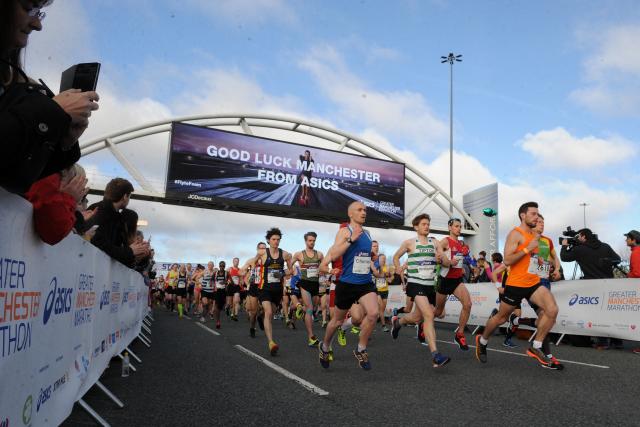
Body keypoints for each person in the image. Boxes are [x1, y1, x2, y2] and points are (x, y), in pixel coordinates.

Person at [0, 0, 100, 194]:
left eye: (40, 12)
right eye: (29, 9)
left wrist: (61, 141)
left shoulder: (11, 79)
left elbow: (13, 178)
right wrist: (51, 113)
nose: (37, 24)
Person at [475, 202, 560, 369]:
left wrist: (543, 262)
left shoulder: (536, 237)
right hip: (515, 284)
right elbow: (507, 260)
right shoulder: (516, 234)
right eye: (534, 214)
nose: (537, 217)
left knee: (552, 310)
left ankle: (536, 347)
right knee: (501, 318)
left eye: (538, 214)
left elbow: (531, 260)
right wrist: (528, 249)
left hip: (533, 283)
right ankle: (482, 340)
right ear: (523, 215)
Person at [319, 202, 378, 370]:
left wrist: (372, 256)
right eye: (360, 210)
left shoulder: (367, 233)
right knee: (336, 321)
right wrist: (352, 239)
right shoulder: (345, 232)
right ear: (350, 214)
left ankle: (360, 349)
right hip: (347, 283)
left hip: (365, 282)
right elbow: (335, 253)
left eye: (365, 210)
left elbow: (363, 255)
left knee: (373, 313)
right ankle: (325, 346)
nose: (363, 212)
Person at [390, 214, 450, 367]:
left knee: (417, 318)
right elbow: (396, 257)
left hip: (430, 285)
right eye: (423, 224)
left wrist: (441, 259)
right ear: (416, 227)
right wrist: (398, 268)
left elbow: (447, 263)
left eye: (428, 224)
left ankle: (399, 323)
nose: (427, 226)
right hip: (416, 284)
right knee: (429, 315)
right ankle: (435, 355)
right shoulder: (409, 243)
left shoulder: (435, 243)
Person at [25, 163, 88, 245]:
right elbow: (53, 231)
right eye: (78, 186)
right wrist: (69, 198)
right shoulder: (49, 185)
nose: (80, 193)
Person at [91, 178, 149, 266]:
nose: (129, 200)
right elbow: (99, 243)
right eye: (129, 196)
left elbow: (116, 250)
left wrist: (137, 254)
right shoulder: (100, 211)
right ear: (125, 197)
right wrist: (130, 251)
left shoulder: (115, 216)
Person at [435, 218, 472, 351]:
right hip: (445, 280)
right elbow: (437, 255)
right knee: (438, 312)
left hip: (456, 280)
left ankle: (459, 334)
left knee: (467, 304)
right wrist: (444, 261)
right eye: (456, 226)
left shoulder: (461, 243)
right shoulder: (445, 241)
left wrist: (461, 267)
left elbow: (461, 259)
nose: (459, 228)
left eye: (460, 226)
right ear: (450, 227)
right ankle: (423, 322)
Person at [292, 231, 324, 347]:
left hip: (315, 284)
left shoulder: (319, 254)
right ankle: (311, 337)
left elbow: (324, 266)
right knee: (310, 309)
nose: (312, 243)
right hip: (304, 283)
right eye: (310, 240)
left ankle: (300, 310)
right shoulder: (299, 254)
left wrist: (327, 271)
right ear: (305, 241)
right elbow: (289, 265)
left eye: (314, 240)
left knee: (313, 307)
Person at [241, 242, 267, 338]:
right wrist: (247, 278)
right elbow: (241, 271)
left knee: (267, 308)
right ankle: (252, 327)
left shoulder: (268, 261)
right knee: (253, 312)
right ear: (257, 249)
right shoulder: (251, 261)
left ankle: (261, 317)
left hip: (264, 286)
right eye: (261, 248)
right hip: (254, 287)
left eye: (264, 248)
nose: (262, 250)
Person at [371, 241, 390, 332]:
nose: (376, 247)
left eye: (377, 246)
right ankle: (381, 325)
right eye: (374, 246)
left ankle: (382, 325)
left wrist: (388, 275)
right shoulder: (371, 260)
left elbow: (390, 279)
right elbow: (376, 274)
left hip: (385, 289)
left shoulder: (386, 266)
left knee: (381, 309)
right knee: (379, 308)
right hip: (375, 288)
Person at [212, 261, 228, 329]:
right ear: (219, 266)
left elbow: (229, 281)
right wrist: (213, 285)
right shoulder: (216, 273)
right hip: (217, 291)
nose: (222, 267)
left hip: (223, 291)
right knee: (217, 307)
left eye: (223, 266)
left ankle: (224, 308)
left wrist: (225, 282)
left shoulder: (226, 273)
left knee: (220, 307)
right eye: (221, 266)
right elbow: (211, 280)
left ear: (224, 266)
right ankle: (218, 322)